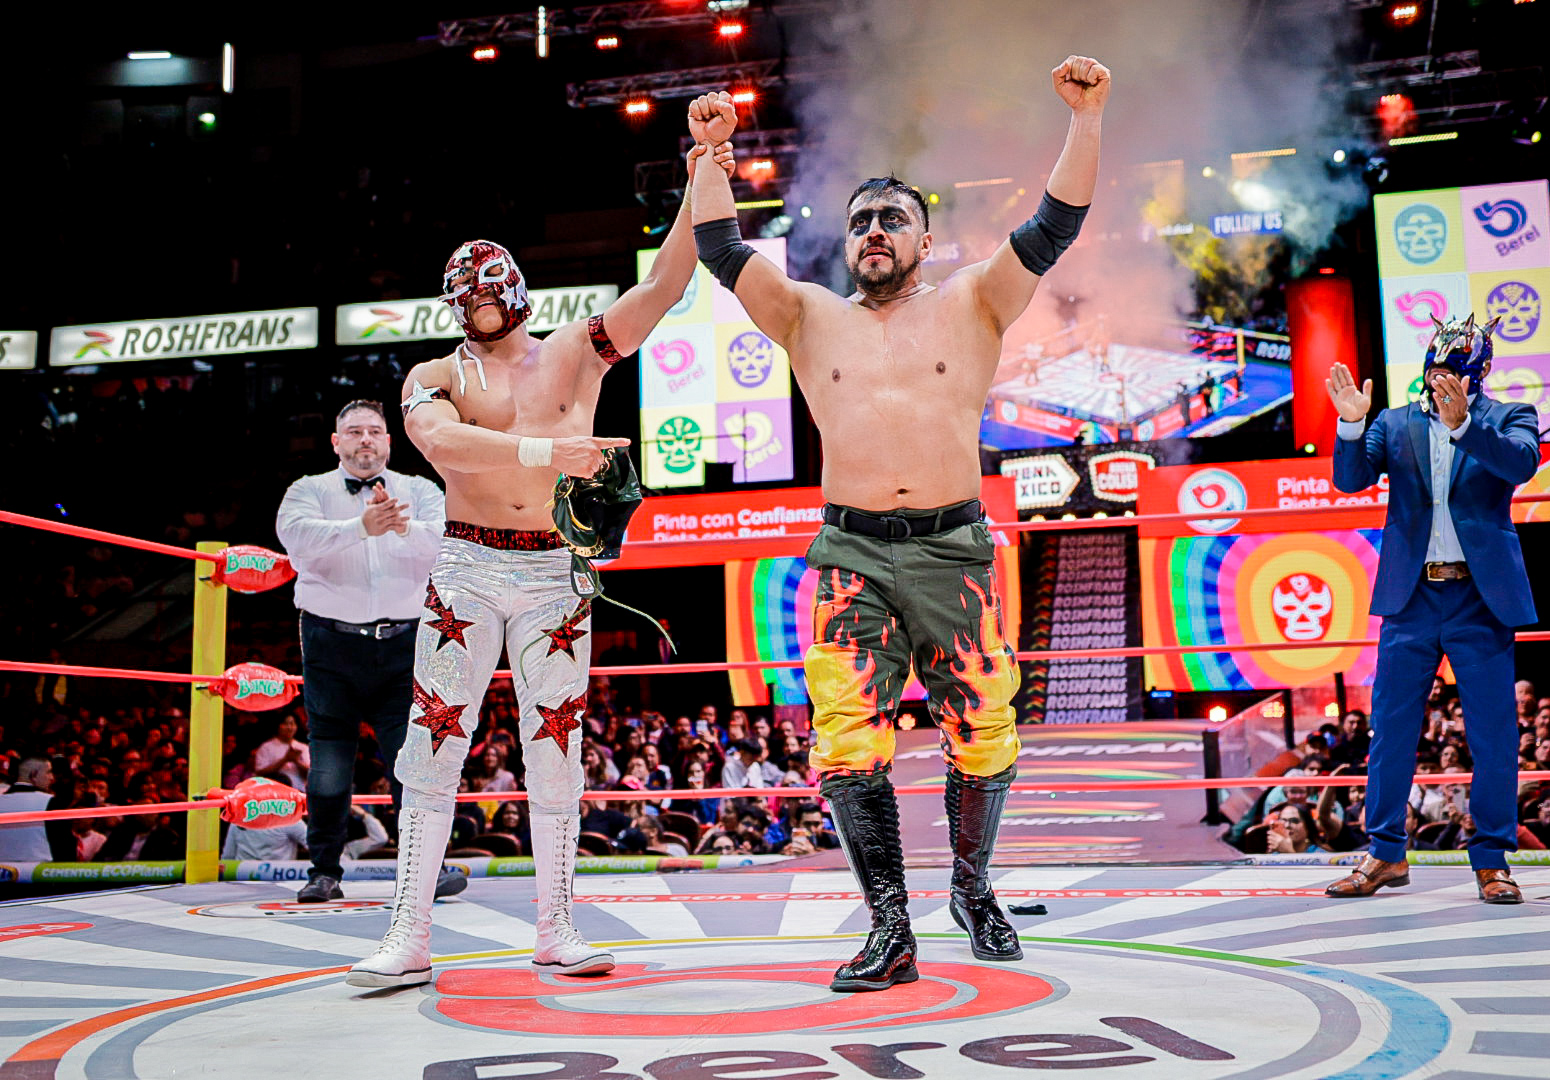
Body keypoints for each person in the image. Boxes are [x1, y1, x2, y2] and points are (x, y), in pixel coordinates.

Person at [687, 54, 1109, 991]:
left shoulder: (974, 300)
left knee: (986, 727)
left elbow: (1057, 223)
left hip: (954, 551)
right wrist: (711, 157)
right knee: (846, 740)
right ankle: (890, 927)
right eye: (859, 221)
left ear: (925, 237)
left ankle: (972, 887)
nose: (873, 230)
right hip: (850, 555)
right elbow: (720, 251)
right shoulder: (808, 316)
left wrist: (1086, 119)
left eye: (892, 218)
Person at [347, 137, 738, 989]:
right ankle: (408, 933)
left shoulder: (577, 349)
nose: (482, 306)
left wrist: (701, 173)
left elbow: (666, 284)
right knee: (432, 745)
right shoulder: (434, 374)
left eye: (491, 292)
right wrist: (546, 452)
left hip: (554, 571)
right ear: (455, 305)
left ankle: (557, 930)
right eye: (469, 297)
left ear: (515, 290)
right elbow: (436, 440)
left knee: (556, 749)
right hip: (466, 564)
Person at [1323, 311, 1539, 904]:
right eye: (1435, 370)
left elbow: (1521, 464)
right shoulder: (1393, 422)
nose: (1440, 381)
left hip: (1480, 599)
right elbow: (1349, 480)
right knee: (1390, 730)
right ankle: (1385, 853)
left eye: (1453, 372)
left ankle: (1492, 860)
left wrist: (1464, 426)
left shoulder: (1509, 417)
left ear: (1478, 375)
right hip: (1411, 596)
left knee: (1494, 735)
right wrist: (1351, 424)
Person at [276, 400, 455, 904]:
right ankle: (323, 872)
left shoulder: (420, 491)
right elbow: (294, 537)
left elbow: (450, 542)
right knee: (329, 762)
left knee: (412, 760)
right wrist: (361, 527)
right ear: (336, 442)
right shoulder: (309, 490)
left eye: (374, 431)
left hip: (404, 643)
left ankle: (425, 871)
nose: (365, 440)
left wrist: (401, 527)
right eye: (353, 431)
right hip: (330, 644)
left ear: (389, 441)